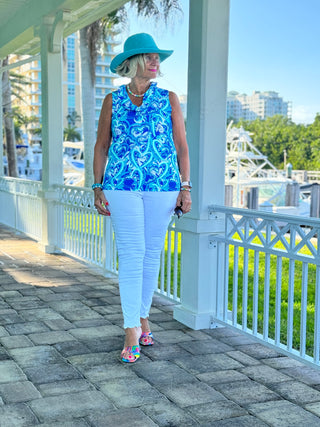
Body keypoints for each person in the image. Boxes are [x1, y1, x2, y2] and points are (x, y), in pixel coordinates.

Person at [92, 33, 192, 363]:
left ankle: (144, 317)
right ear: (134, 62)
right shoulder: (113, 99)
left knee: (151, 255)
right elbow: (102, 146)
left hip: (162, 184)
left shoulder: (169, 98)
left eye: (157, 57)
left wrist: (185, 187)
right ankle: (131, 329)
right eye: (149, 57)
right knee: (132, 253)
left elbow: (181, 147)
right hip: (120, 184)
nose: (155, 62)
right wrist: (97, 186)